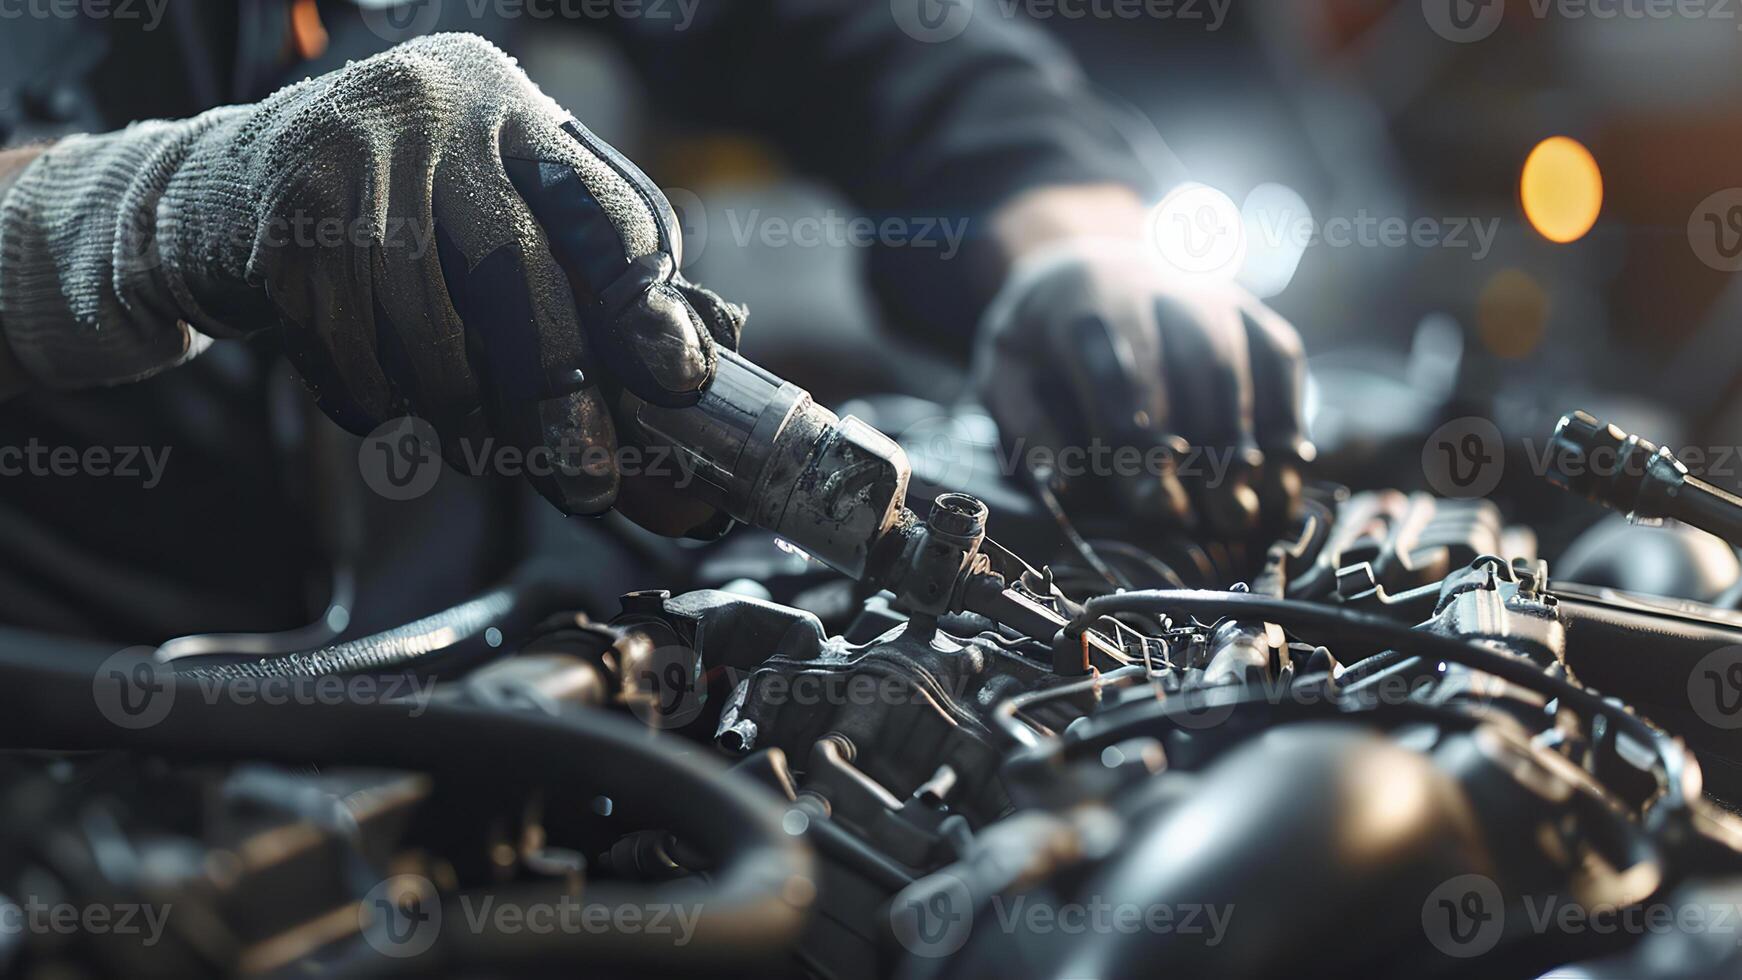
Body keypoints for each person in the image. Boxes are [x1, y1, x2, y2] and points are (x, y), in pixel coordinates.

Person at [0, 1, 1305, 642]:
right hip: (77, 729)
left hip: (488, 649)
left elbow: (858, 37)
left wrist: (1078, 248)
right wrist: (142, 214)